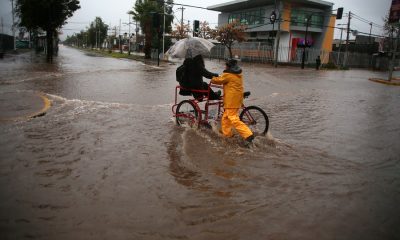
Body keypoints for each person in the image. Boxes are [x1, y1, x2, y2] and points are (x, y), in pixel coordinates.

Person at [211, 59, 254, 146]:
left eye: (226, 65)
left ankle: (248, 134)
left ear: (229, 66)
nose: (225, 67)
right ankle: (228, 135)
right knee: (225, 118)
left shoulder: (228, 75)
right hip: (237, 98)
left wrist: (212, 78)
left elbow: (217, 80)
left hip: (232, 100)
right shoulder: (238, 74)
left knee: (233, 118)